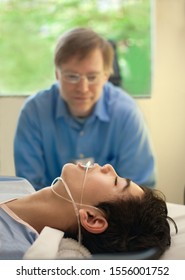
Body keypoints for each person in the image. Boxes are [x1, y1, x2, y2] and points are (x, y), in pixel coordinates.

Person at [14, 27, 156, 191]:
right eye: (72, 76)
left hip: (112, 215)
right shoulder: (34, 112)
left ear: (105, 76)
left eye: (92, 77)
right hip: (49, 214)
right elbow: (28, 189)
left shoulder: (126, 113)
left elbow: (139, 189)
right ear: (57, 75)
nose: (82, 88)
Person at [0, 162, 176, 260]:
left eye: (115, 181)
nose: (108, 167)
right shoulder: (19, 184)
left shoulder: (10, 249)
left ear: (93, 219)